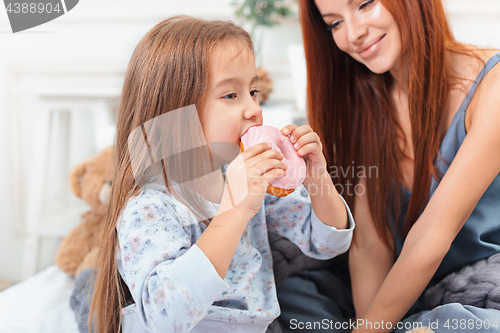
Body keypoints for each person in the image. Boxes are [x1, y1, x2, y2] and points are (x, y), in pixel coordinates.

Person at [88, 16, 355, 333]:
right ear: (175, 112)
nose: (254, 108)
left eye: (253, 91)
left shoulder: (254, 179)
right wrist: (236, 209)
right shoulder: (150, 206)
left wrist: (318, 177)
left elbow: (327, 243)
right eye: (231, 95)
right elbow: (165, 315)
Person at [275, 0, 500, 332]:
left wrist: (369, 329)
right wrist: (373, 324)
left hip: (482, 286)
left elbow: (432, 236)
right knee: (286, 287)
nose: (354, 34)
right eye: (334, 23)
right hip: (407, 293)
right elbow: (369, 243)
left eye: (365, 4)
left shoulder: (491, 85)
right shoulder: (369, 100)